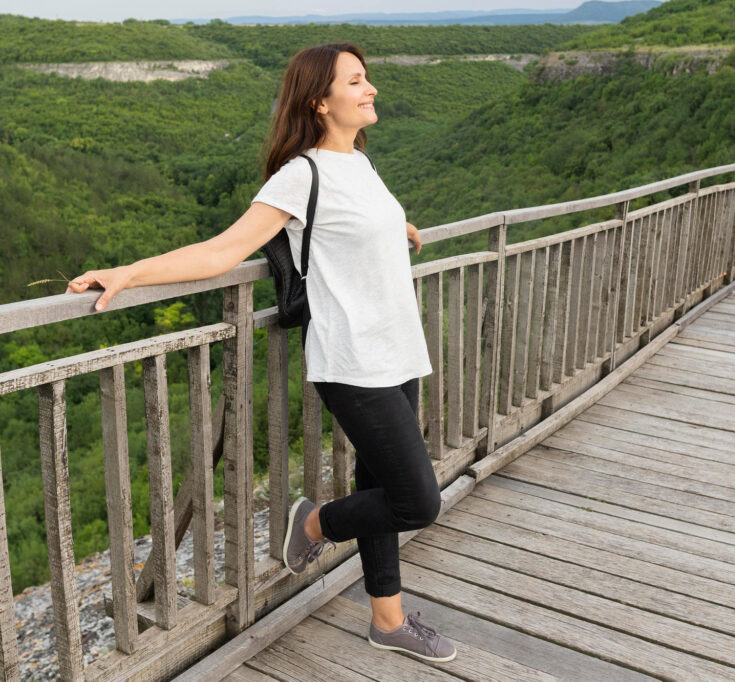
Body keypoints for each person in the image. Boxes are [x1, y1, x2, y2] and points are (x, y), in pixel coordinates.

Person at [66, 42, 456, 663]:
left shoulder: (362, 162)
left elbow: (359, 225)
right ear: (320, 101)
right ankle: (312, 525)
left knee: (379, 482)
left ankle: (388, 619)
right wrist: (129, 272)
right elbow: (223, 252)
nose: (371, 88)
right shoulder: (302, 174)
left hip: (400, 350)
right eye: (356, 82)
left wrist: (398, 227)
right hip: (353, 362)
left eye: (367, 78)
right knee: (417, 500)